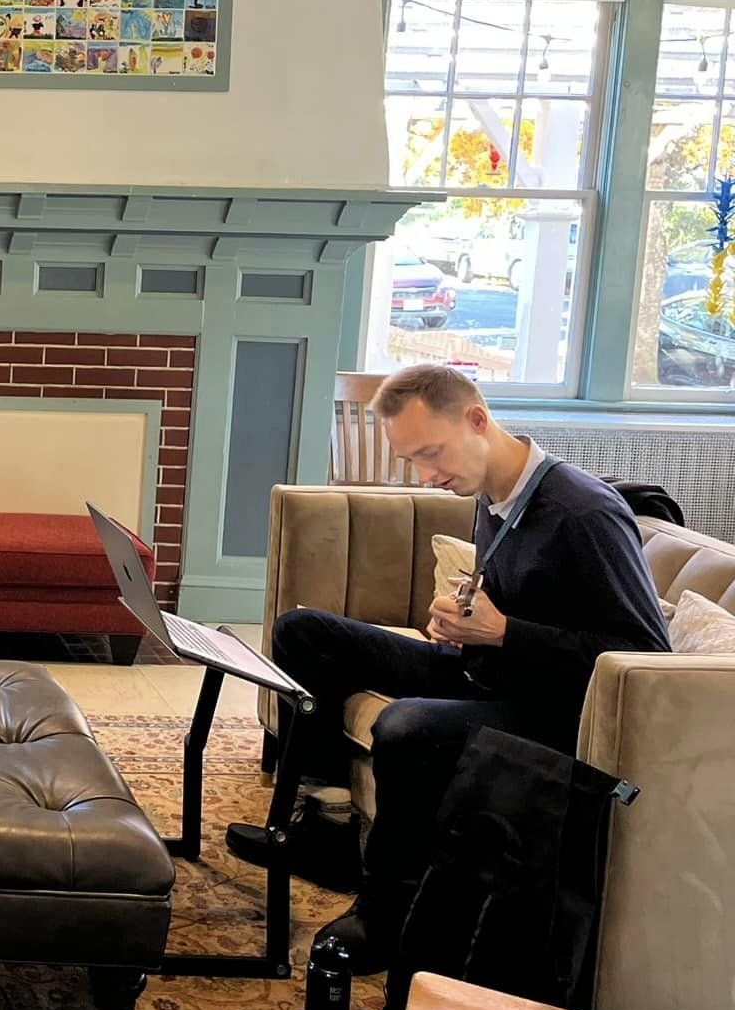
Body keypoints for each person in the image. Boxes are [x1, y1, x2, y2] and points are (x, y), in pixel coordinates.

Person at [227, 364, 670, 970]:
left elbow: (646, 657)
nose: (427, 477)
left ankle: (387, 910)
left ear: (477, 420)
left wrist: (505, 632)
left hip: (553, 709)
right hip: (488, 672)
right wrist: (467, 620)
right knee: (303, 634)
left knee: (407, 726)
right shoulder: (494, 495)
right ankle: (330, 829)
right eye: (412, 461)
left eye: (431, 454)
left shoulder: (583, 514)